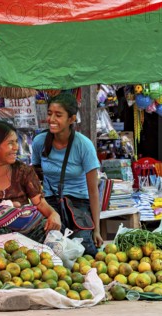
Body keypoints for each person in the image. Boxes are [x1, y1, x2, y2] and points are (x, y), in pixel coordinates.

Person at [31, 92, 103, 256]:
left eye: (58, 115)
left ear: (71, 119)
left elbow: (93, 191)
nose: (52, 119)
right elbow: (34, 176)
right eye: (50, 114)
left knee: (83, 249)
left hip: (79, 204)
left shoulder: (83, 145)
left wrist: (97, 230)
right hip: (50, 202)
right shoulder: (39, 142)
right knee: (48, 247)